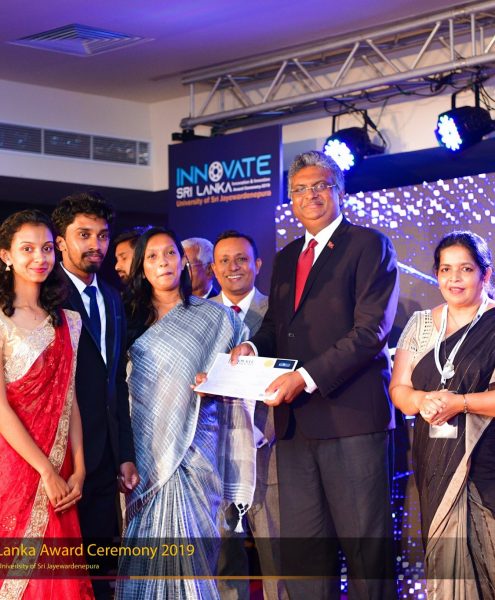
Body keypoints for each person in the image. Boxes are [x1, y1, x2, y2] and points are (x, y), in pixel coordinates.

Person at [230, 151, 399, 599]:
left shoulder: (369, 245)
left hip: (352, 423)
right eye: (300, 189)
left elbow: (370, 332)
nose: (310, 196)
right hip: (295, 429)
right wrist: (253, 347)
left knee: (367, 559)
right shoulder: (287, 257)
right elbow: (275, 326)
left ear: (339, 192)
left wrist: (303, 378)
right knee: (305, 562)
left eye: (320, 186)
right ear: (291, 199)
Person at [115, 227, 256, 599]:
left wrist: (224, 373)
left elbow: (243, 368)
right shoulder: (126, 321)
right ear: (141, 267)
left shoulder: (215, 318)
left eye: (170, 253)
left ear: (183, 262)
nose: (163, 262)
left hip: (197, 451)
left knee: (194, 559)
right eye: (152, 256)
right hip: (144, 456)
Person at [390, 231, 495, 599]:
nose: (454, 279)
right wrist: (422, 399)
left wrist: (459, 403)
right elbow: (399, 390)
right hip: (436, 462)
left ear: (485, 273)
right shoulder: (420, 323)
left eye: (465, 269)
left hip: (488, 463)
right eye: (445, 269)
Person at [0, 209, 93, 599]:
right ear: (5, 255)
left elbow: (70, 400)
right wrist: (45, 470)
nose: (39, 257)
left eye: (47, 248)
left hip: (62, 469)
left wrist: (80, 467)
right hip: (14, 467)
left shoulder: (69, 321)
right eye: (27, 249)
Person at [51, 192, 138, 599]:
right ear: (61, 241)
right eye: (83, 235)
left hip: (105, 457)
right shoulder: (44, 295)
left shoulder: (113, 297)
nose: (96, 245)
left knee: (102, 571)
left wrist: (124, 453)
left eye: (102, 236)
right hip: (58, 456)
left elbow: (116, 381)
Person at [211, 230, 287, 600]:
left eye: (241, 259)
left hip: (268, 451)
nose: (233, 267)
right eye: (224, 261)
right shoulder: (199, 315)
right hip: (215, 453)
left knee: (277, 555)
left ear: (257, 264)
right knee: (223, 558)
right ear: (213, 269)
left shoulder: (280, 313)